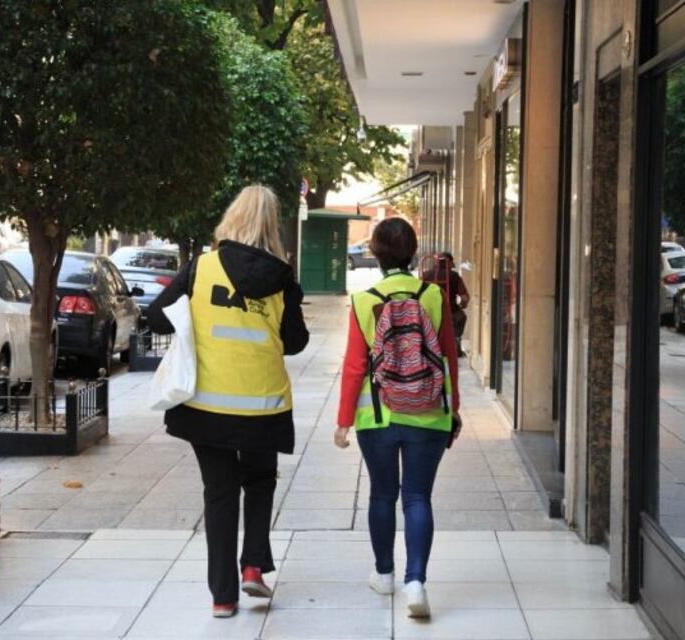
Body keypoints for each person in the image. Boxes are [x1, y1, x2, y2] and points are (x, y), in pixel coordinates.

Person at [147, 185, 309, 619]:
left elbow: (156, 315)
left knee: (219, 493)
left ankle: (222, 597)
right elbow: (295, 342)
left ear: (231, 218)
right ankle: (254, 564)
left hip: (206, 407)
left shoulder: (201, 268)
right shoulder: (282, 278)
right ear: (272, 226)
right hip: (263, 405)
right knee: (259, 481)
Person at [333, 217, 461, 619]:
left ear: (375, 252)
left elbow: (355, 365)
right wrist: (452, 410)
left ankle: (384, 573)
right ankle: (416, 582)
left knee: (383, 495)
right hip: (427, 414)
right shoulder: (434, 296)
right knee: (418, 497)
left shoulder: (364, 299)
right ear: (413, 251)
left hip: (379, 416)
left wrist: (343, 420)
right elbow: (448, 358)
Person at [440, 252, 469, 357]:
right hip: (450, 310)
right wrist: (463, 305)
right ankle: (456, 341)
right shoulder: (454, 276)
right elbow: (464, 297)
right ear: (450, 262)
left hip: (429, 311)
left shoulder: (426, 274)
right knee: (462, 317)